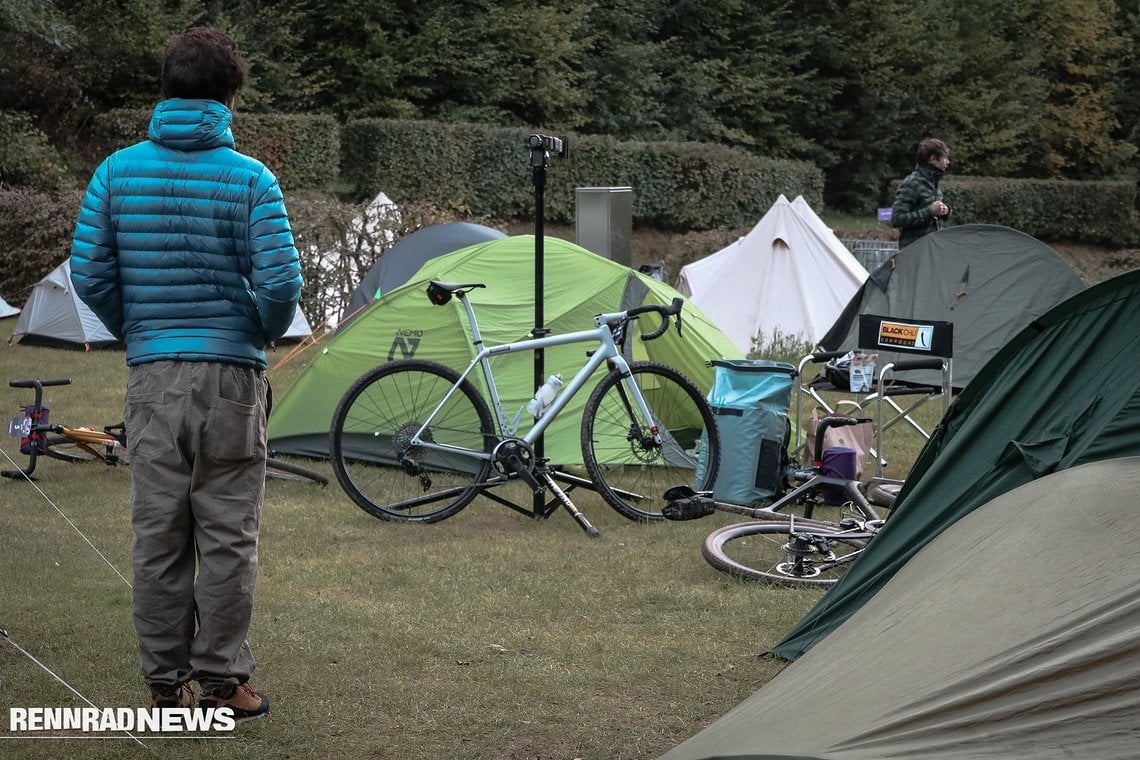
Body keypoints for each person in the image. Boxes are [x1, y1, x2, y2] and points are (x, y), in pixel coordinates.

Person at [69, 25, 302, 720]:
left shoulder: (115, 171)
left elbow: (89, 273)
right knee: (227, 534)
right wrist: (254, 327)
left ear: (164, 87)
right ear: (231, 93)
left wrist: (137, 329)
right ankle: (223, 681)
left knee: (158, 534)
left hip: (152, 377)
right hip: (232, 377)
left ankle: (164, 681)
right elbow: (283, 282)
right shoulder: (252, 177)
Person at [891, 138, 952, 248]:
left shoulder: (933, 183)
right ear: (933, 158)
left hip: (933, 250)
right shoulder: (912, 183)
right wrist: (929, 211)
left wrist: (945, 211)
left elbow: (933, 218)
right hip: (915, 253)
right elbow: (897, 219)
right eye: (945, 158)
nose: (948, 162)